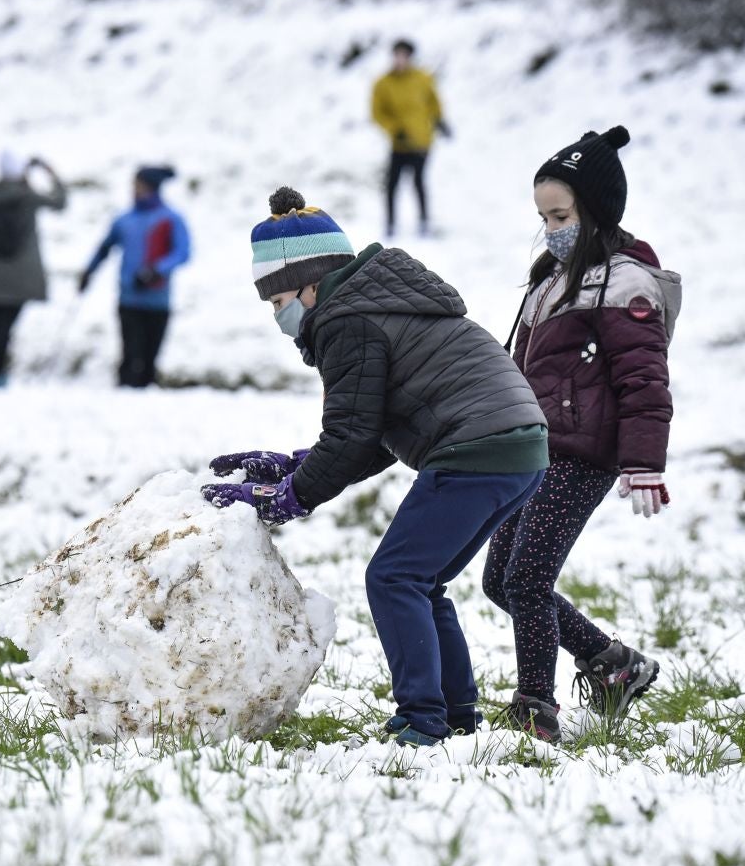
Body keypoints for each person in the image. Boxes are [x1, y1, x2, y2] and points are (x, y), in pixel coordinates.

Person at [202, 187, 548, 747]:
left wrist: (295, 496)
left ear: (311, 283)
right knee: (422, 580)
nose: (278, 316)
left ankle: (421, 718)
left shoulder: (347, 320)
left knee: (394, 577)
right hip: (518, 447)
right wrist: (294, 467)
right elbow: (373, 436)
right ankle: (455, 713)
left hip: (476, 447)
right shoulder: (379, 304)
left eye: (278, 301)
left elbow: (352, 433)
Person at [481, 126, 682, 744]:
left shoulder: (624, 283)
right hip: (535, 451)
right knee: (499, 580)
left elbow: (644, 378)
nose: (551, 228)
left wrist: (643, 461)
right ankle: (615, 667)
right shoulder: (553, 276)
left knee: (527, 580)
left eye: (561, 215)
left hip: (581, 452)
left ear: (595, 210)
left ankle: (535, 712)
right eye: (543, 217)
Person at [78, 165, 191, 388]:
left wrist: (157, 270)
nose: (134, 190)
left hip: (158, 299)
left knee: (149, 359)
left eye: (138, 185)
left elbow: (182, 252)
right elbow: (104, 248)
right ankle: (124, 400)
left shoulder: (171, 219)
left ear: (151, 187)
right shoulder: (124, 220)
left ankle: (143, 406)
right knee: (130, 355)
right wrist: (88, 271)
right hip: (129, 298)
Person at [0, 151, 68, 386]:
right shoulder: (27, 197)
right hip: (20, 274)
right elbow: (60, 202)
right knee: (6, 326)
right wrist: (50, 172)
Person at [370, 39, 448, 238]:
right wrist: (394, 129)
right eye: (397, 55)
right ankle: (390, 224)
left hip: (421, 141)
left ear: (410, 57)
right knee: (392, 185)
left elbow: (433, 102)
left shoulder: (422, 78)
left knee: (418, 182)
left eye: (404, 55)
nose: (400, 59)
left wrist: (439, 121)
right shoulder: (383, 83)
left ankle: (423, 221)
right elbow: (377, 112)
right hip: (399, 144)